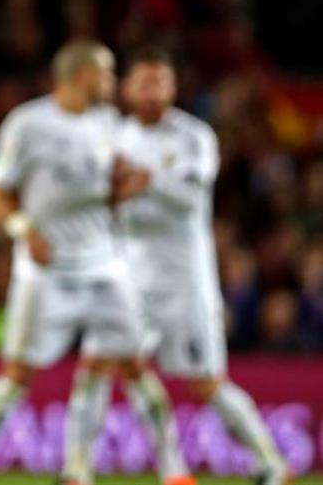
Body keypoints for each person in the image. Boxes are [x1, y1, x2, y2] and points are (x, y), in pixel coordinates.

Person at [0, 40, 193, 485]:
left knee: (134, 365)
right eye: (107, 73)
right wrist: (23, 229)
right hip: (46, 270)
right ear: (83, 75)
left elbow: (105, 191)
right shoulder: (28, 123)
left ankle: (174, 471)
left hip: (105, 265)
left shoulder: (108, 122)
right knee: (18, 375)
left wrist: (127, 188)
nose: (113, 82)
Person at [116, 47, 291, 485]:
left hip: (185, 282)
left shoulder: (193, 137)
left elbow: (191, 197)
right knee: (129, 365)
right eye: (144, 82)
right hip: (133, 277)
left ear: (173, 88)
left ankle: (269, 461)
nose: (152, 92)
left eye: (160, 82)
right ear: (127, 88)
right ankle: (172, 469)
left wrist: (146, 180)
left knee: (206, 383)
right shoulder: (115, 138)